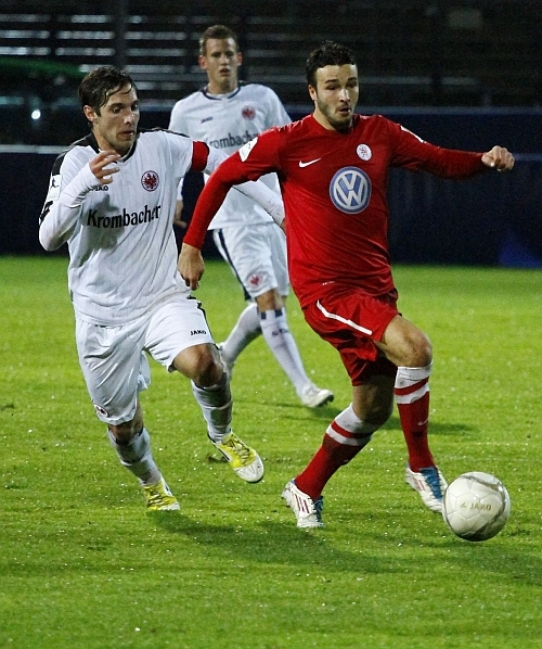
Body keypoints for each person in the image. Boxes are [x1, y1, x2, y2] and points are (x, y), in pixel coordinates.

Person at [178, 40, 515, 528]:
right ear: (312, 92)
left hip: (376, 287)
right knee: (416, 349)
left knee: (372, 408)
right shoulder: (287, 141)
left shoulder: (380, 133)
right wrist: (191, 244)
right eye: (333, 86)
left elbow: (438, 160)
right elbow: (222, 177)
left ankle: (305, 487)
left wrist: (482, 160)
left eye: (351, 84)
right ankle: (421, 466)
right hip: (327, 291)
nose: (344, 96)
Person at [38, 66, 286, 512]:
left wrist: (278, 211)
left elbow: (227, 165)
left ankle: (222, 434)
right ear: (91, 114)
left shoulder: (162, 147)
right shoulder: (75, 164)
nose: (129, 118)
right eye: (117, 109)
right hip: (102, 316)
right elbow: (48, 238)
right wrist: (84, 184)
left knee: (207, 364)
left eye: (133, 107)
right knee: (124, 428)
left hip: (161, 297)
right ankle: (152, 482)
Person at [169, 24, 334, 409]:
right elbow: (173, 159)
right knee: (269, 300)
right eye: (216, 55)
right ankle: (304, 388)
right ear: (203, 62)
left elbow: (290, 146)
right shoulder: (187, 111)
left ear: (239, 58)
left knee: (273, 305)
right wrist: (175, 198)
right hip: (232, 221)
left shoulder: (262, 98)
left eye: (229, 54)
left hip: (274, 215)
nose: (223, 61)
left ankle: (225, 353)